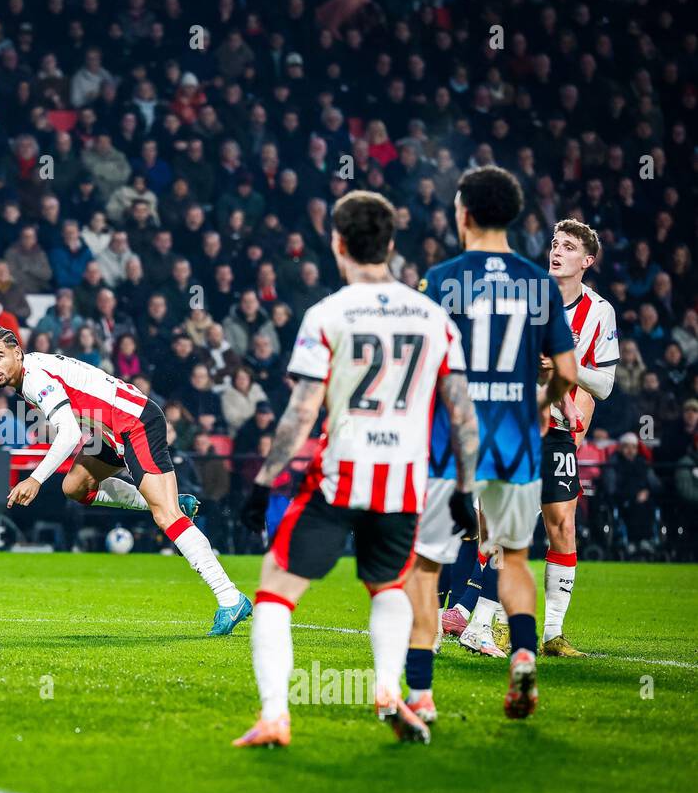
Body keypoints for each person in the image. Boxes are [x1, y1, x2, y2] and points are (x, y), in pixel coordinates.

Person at [235, 191, 477, 748]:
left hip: (341, 476)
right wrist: (464, 489)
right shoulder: (433, 317)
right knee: (388, 585)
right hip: (404, 484)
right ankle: (388, 690)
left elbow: (301, 412)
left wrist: (264, 482)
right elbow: (462, 412)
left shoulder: (328, 314)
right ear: (391, 245)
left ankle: (275, 716)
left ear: (337, 243)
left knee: (275, 590)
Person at [404, 166, 578, 724]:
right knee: (518, 560)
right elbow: (568, 373)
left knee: (427, 567)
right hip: (518, 441)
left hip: (454, 443)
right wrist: (535, 402)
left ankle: (422, 696)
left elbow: (423, 367)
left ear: (465, 213)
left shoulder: (443, 279)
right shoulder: (540, 283)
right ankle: (524, 655)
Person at [0, 328, 252, 636]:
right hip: (109, 431)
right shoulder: (30, 371)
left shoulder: (34, 378)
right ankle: (165, 501)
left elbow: (69, 434)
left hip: (135, 424)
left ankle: (230, 597)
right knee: (75, 487)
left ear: (17, 353)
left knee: (167, 517)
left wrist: (36, 479)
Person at [441, 219, 619, 657]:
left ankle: (548, 632)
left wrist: (563, 372)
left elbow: (605, 384)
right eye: (555, 244)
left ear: (587, 260)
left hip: (558, 432)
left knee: (560, 526)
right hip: (511, 424)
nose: (557, 251)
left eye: (569, 246)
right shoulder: (525, 299)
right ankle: (471, 616)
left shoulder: (599, 312)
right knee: (496, 526)